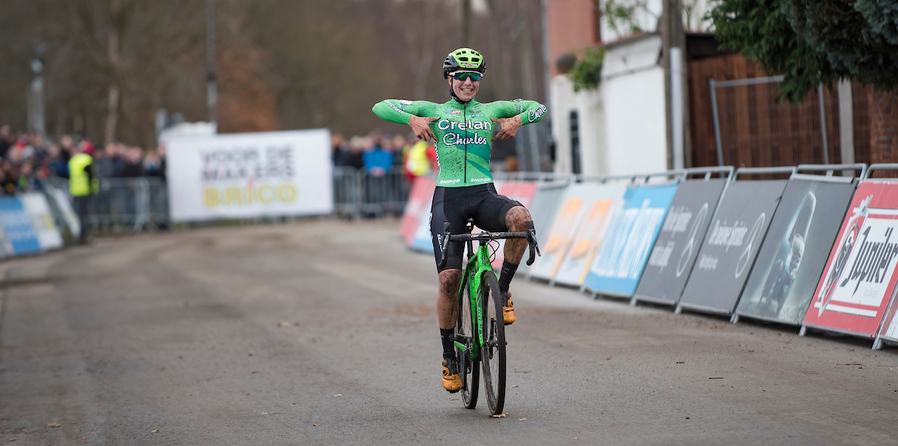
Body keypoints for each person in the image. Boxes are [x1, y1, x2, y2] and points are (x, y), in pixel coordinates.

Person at [372, 47, 547, 393]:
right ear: (449, 79)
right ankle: (449, 355)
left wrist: (517, 119)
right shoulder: (434, 111)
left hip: (484, 195)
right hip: (448, 199)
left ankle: (503, 289)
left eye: (475, 77)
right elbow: (381, 106)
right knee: (449, 280)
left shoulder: (491, 110)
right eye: (462, 76)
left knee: (521, 220)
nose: (468, 82)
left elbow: (538, 108)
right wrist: (411, 119)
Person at [68, 140, 97, 244]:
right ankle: (82, 237)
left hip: (75, 190)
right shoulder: (87, 160)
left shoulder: (73, 160)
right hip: (85, 191)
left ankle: (79, 236)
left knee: (78, 215)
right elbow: (90, 176)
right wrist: (92, 188)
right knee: (84, 216)